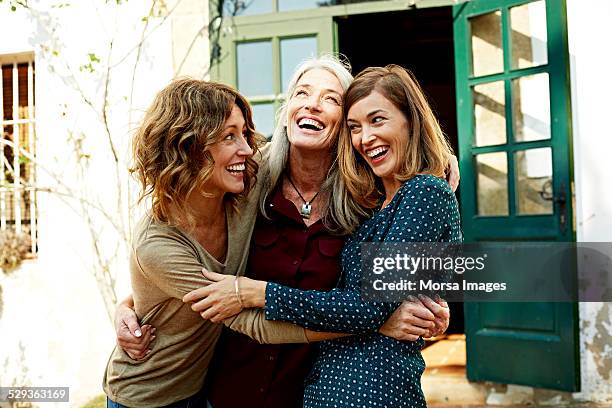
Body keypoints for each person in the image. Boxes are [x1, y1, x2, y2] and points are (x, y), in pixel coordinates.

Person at [114, 57, 458, 407]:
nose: (312, 103)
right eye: (302, 92)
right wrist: (129, 305)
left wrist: (412, 298)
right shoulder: (247, 182)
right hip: (225, 391)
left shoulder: (366, 199)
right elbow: (182, 254)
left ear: (344, 126)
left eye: (331, 99)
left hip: (304, 393)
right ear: (288, 108)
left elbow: (417, 269)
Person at [103, 79, 311, 408]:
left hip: (203, 388)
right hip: (145, 397)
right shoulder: (157, 243)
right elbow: (252, 323)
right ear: (188, 146)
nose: (246, 148)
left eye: (244, 133)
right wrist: (360, 322)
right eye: (230, 136)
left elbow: (295, 140)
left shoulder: (242, 187)